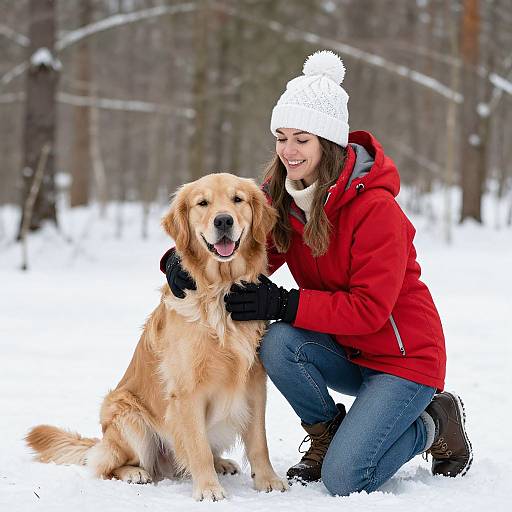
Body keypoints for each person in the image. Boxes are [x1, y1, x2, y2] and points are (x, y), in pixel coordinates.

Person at [161, 50, 473, 496]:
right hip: (344, 350)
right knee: (279, 340)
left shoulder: (375, 209)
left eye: (302, 139)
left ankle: (434, 423)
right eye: (281, 137)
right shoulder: (283, 199)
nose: (288, 151)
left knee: (347, 479)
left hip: (403, 361)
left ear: (327, 143)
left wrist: (285, 303)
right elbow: (243, 251)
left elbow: (370, 310)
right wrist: (177, 261)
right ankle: (328, 434)